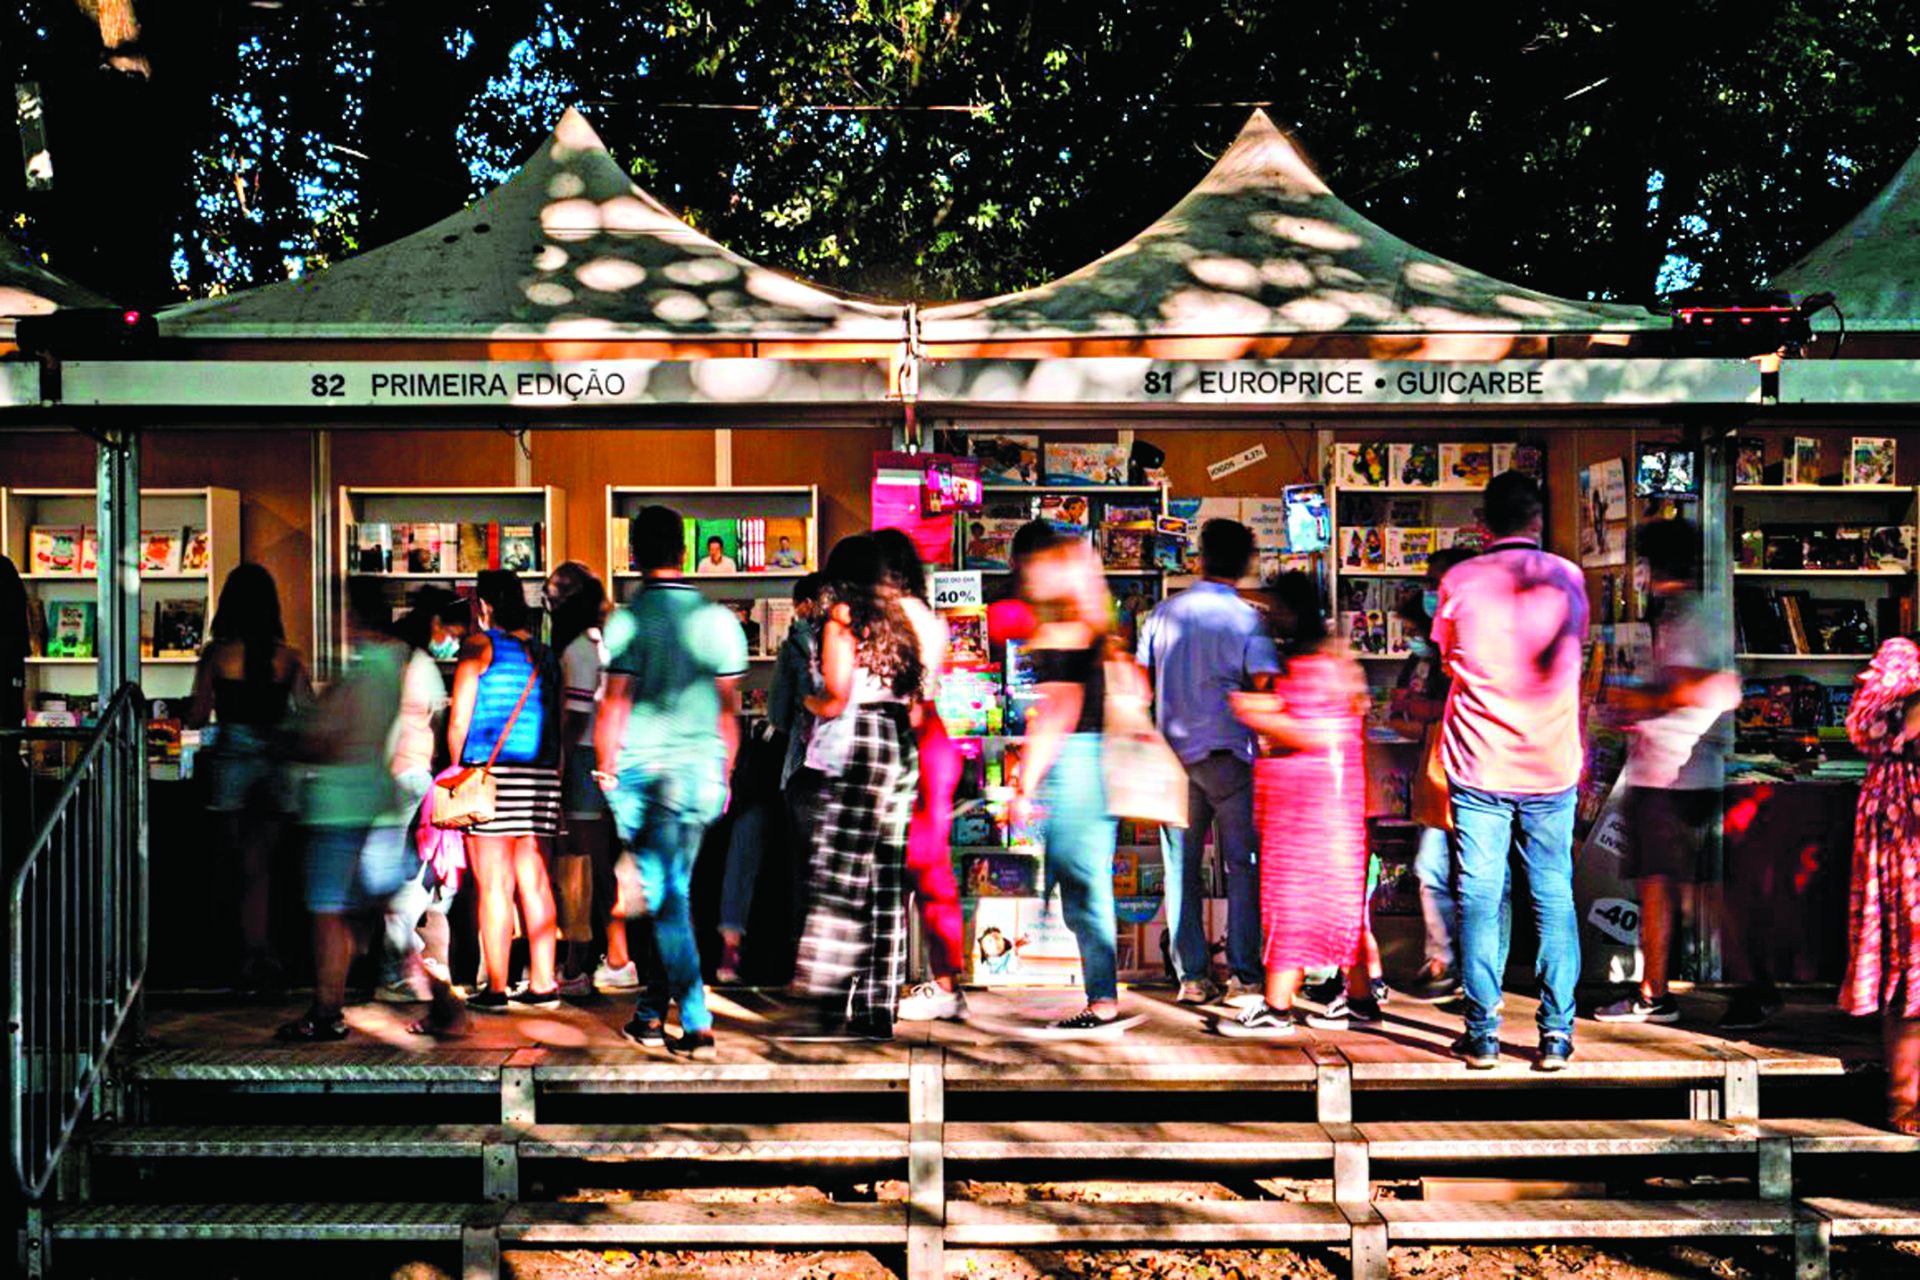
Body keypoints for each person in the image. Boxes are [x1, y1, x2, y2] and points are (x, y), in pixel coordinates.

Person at [1433, 470, 1589, 1071]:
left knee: (1478, 893)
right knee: (1553, 892)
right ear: (1538, 521)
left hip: (1479, 759)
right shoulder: (1569, 577)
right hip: (1551, 762)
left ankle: (1484, 1033)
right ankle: (1555, 1035)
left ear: (1481, 524)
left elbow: (1449, 655)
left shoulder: (1459, 581)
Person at [596, 506, 747, 1060]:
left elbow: (615, 703)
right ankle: (650, 1012)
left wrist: (607, 770)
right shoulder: (721, 621)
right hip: (704, 774)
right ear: (685, 550)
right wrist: (726, 772)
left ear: (634, 552)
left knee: (667, 899)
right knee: (673, 897)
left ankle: (699, 1021)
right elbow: (728, 712)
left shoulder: (628, 621)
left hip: (648, 775)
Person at [1597, 519, 1739, 1026]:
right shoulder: (1702, 611)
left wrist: (1631, 700)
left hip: (1671, 773)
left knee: (1661, 884)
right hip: (1685, 770)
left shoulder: (1687, 617)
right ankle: (1748, 982)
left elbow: (1683, 688)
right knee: (1689, 887)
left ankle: (1656, 993)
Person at [1219, 572, 1369, 1037]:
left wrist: (1254, 712)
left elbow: (1314, 733)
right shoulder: (1333, 657)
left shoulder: (1311, 663)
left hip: (1305, 809)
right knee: (1340, 905)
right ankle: (1361, 999)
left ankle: (1277, 1006)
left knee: (1292, 900)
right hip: (1329, 803)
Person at [1136, 518, 1278, 1006]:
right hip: (1231, 758)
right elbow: (1262, 684)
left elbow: (1139, 682)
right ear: (1243, 565)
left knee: (1181, 869)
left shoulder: (1163, 613)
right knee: (1243, 866)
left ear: (1198, 557)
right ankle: (1245, 975)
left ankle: (1192, 977)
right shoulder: (1248, 619)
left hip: (1173, 761)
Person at [794, 535, 923, 1040]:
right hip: (899, 740)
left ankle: (828, 1001)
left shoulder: (844, 617)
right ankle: (878, 1008)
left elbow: (836, 696)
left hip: (860, 739)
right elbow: (915, 700)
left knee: (841, 876)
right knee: (886, 882)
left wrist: (805, 702)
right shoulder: (903, 619)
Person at [1010, 536, 1137, 1037]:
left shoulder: (1060, 632)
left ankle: (1102, 1001)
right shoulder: (1099, 632)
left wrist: (1025, 782)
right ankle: (1099, 994)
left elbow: (1057, 712)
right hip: (1101, 758)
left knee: (1078, 881)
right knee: (1083, 880)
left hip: (1077, 762)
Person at [277, 578, 407, 1041]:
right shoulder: (394, 665)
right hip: (377, 799)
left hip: (342, 805)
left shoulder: (365, 671)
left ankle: (328, 1007)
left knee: (329, 910)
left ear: (351, 617)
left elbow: (332, 736)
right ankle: (441, 1000)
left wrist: (294, 736)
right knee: (372, 912)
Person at [186, 563, 312, 997]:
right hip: (277, 761)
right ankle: (268, 951)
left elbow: (198, 714)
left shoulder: (217, 655)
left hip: (233, 759)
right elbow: (308, 714)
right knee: (267, 867)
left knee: (236, 866)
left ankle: (243, 954)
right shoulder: (289, 656)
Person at [448, 568, 564, 1010]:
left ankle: (496, 988)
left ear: (484, 605)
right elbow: (557, 725)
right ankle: (542, 983)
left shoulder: (479, 647)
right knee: (535, 882)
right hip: (539, 777)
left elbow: (460, 720)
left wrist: (457, 771)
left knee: (493, 886)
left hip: (489, 776)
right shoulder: (546, 655)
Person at [1382, 546, 1492, 1004]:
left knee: (1469, 875)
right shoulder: (1430, 650)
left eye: (1437, 582)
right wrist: (1413, 712)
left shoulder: (1469, 643)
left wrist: (1421, 710)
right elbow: (1405, 709)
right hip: (1437, 777)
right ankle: (1445, 961)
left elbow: (1443, 706)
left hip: (1466, 774)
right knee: (1435, 869)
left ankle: (1468, 970)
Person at [873, 528, 968, 1024]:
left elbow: (896, 694)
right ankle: (943, 980)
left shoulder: (892, 619)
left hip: (906, 739)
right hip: (934, 737)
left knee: (909, 869)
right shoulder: (930, 618)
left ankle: (941, 986)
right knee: (930, 867)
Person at [379, 588, 469, 1038]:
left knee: (392, 874)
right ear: (436, 623)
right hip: (413, 776)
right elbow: (437, 723)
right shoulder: (422, 667)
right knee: (418, 879)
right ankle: (405, 966)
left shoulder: (389, 658)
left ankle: (396, 964)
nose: (455, 639)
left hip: (382, 777)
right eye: (452, 630)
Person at [1841, 633, 1920, 1134]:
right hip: (1902, 835)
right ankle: (1906, 1097)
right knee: (1910, 960)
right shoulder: (1903, 659)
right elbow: (1864, 728)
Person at [545, 561, 620, 997]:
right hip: (609, 756)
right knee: (603, 863)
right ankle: (616, 957)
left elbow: (574, 719)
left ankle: (581, 960)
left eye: (554, 595)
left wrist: (558, 763)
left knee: (579, 864)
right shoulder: (603, 642)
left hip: (582, 760)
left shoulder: (575, 649)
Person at [774, 573, 826, 939]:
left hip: (805, 762)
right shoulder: (857, 636)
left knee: (802, 866)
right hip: (847, 766)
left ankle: (803, 952)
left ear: (806, 605)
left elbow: (777, 712)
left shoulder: (796, 644)